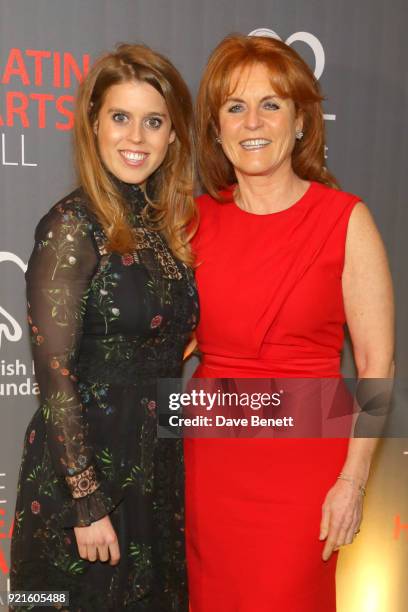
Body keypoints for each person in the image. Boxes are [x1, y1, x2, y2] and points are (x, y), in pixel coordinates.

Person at [184, 34, 394, 611]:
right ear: (217, 128)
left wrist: (351, 482)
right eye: (235, 107)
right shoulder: (193, 223)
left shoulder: (345, 220)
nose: (253, 121)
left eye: (271, 104)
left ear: (301, 120)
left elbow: (377, 365)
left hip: (305, 467)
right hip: (214, 464)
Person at [10, 43, 198, 611]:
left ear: (173, 136)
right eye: (120, 117)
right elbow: (55, 376)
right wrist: (86, 501)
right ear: (94, 124)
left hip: (155, 477)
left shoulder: (165, 228)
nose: (135, 137)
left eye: (153, 121)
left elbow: (167, 343)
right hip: (85, 484)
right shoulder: (71, 225)